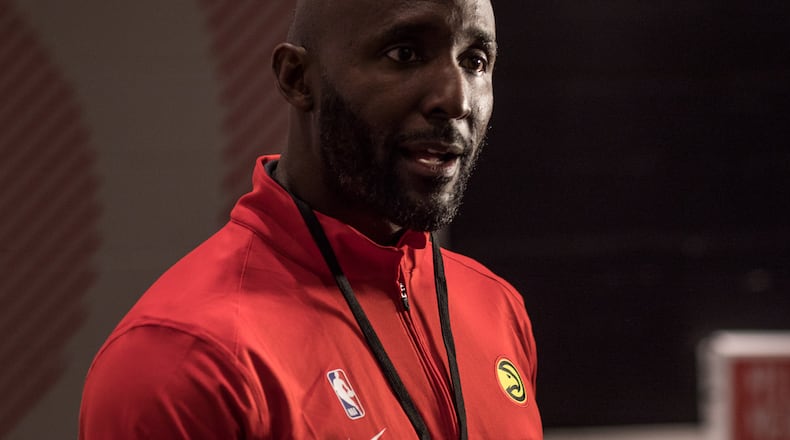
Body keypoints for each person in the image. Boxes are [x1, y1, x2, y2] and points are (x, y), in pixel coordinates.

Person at [79, 0, 543, 438]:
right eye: (405, 54)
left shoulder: (496, 307)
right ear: (297, 78)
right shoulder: (183, 359)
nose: (456, 98)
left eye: (476, 60)